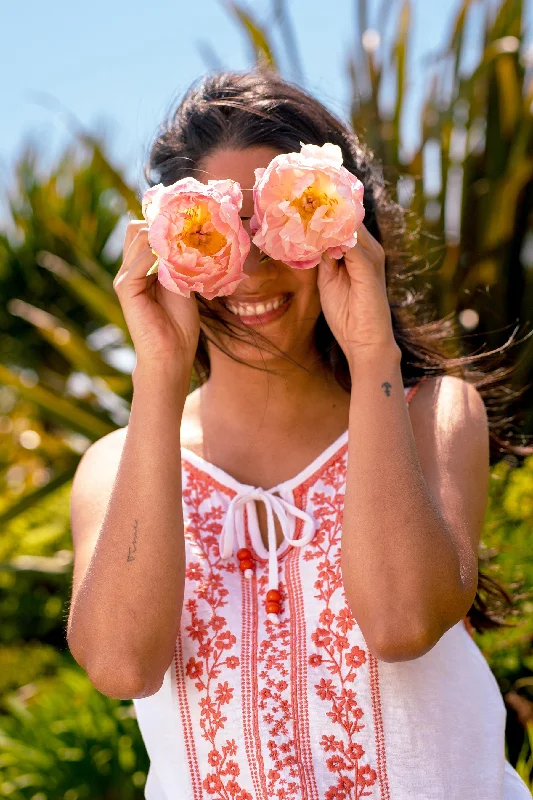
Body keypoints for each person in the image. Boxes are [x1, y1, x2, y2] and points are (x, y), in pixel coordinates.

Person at [66, 70, 533, 799]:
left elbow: (401, 621)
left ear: (346, 228)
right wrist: (157, 379)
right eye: (215, 227)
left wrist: (372, 351)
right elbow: (122, 666)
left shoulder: (432, 414)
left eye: (284, 220)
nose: (252, 265)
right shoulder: (114, 465)